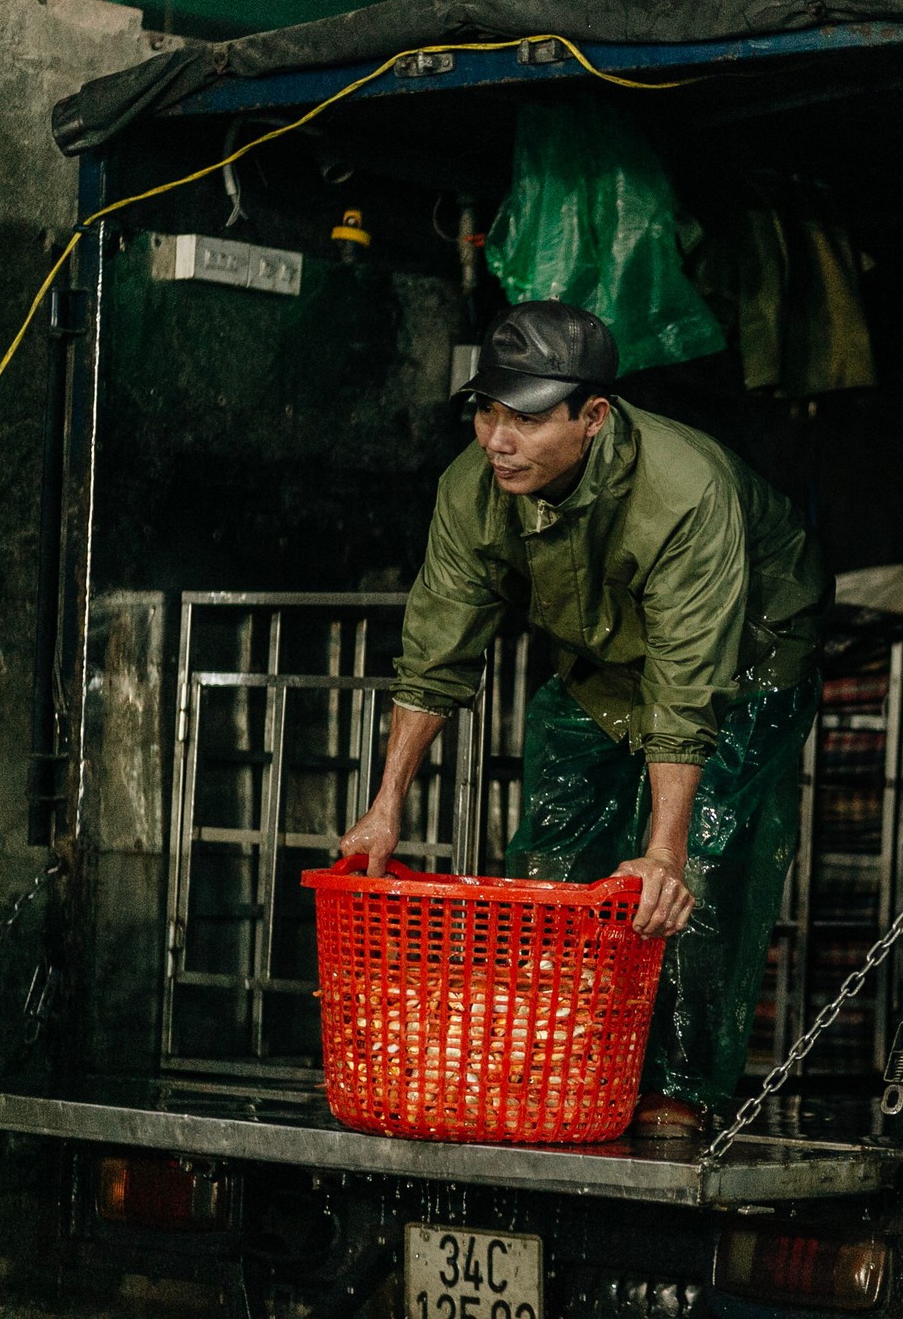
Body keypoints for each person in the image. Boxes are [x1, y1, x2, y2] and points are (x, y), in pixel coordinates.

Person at [339, 300, 828, 1137]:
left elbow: (687, 682)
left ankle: (676, 1082)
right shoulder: (475, 487)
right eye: (488, 410)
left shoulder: (684, 492)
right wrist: (386, 807)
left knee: (695, 861)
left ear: (592, 417)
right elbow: (435, 650)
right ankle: (553, 1057)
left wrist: (665, 847)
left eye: (525, 417)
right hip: (600, 657)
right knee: (555, 851)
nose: (498, 438)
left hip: (744, 654)